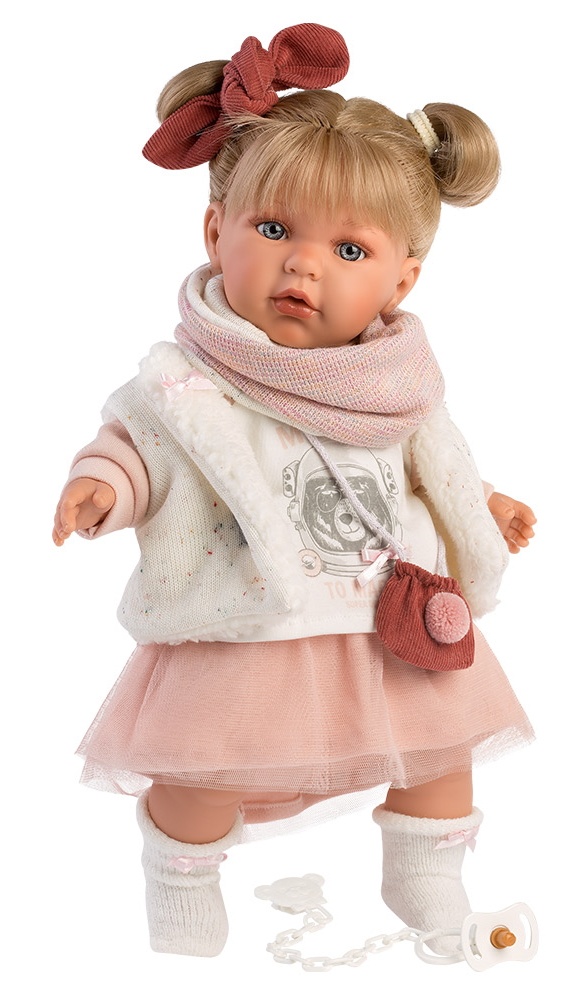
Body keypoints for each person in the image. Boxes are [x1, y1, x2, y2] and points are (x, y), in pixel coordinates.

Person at [52, 23, 536, 959]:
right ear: (215, 231)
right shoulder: (187, 384)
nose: (304, 264)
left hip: (388, 624)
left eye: (349, 250)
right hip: (250, 623)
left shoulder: (393, 385)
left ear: (402, 278)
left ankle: (427, 872)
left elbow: (422, 467)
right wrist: (102, 486)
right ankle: (182, 881)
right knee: (201, 773)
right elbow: (140, 447)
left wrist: (483, 501)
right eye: (273, 231)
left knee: (440, 757)